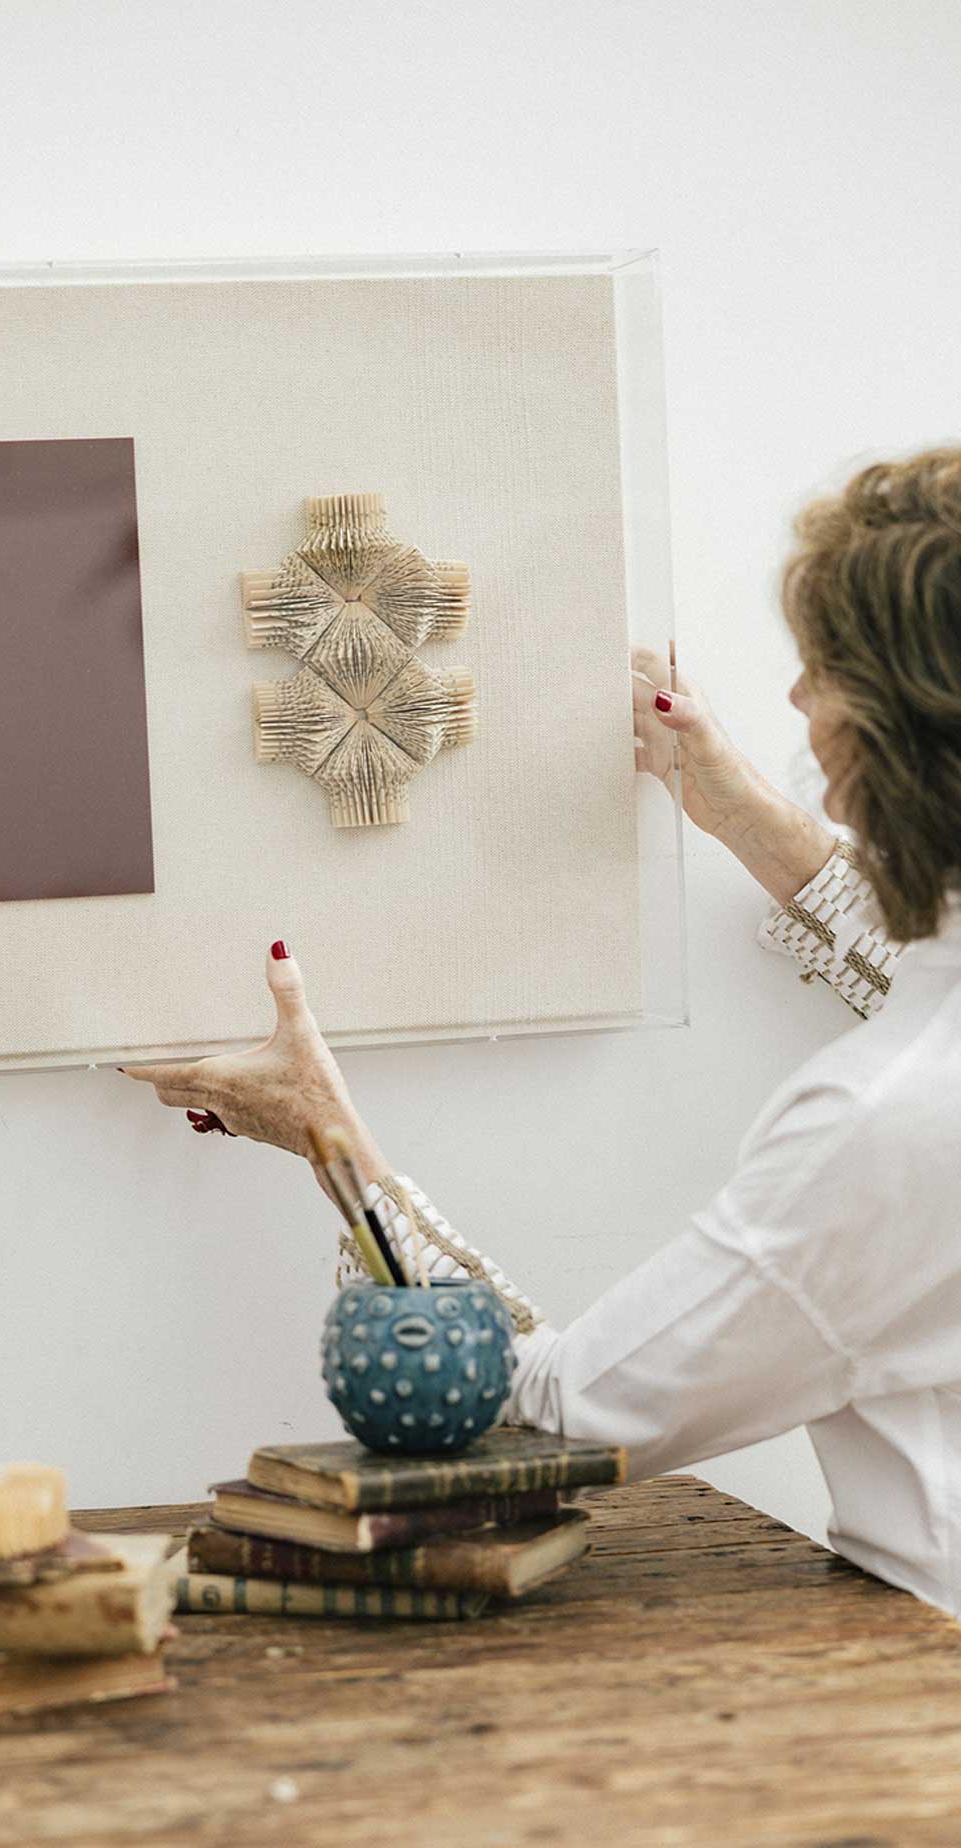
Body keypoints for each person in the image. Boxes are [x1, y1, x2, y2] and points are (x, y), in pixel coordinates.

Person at [123, 449, 961, 1617]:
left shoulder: (880, 1131)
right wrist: (746, 819)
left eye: (820, 671)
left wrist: (334, 1147)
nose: (793, 705)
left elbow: (566, 1408)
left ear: (891, 731)